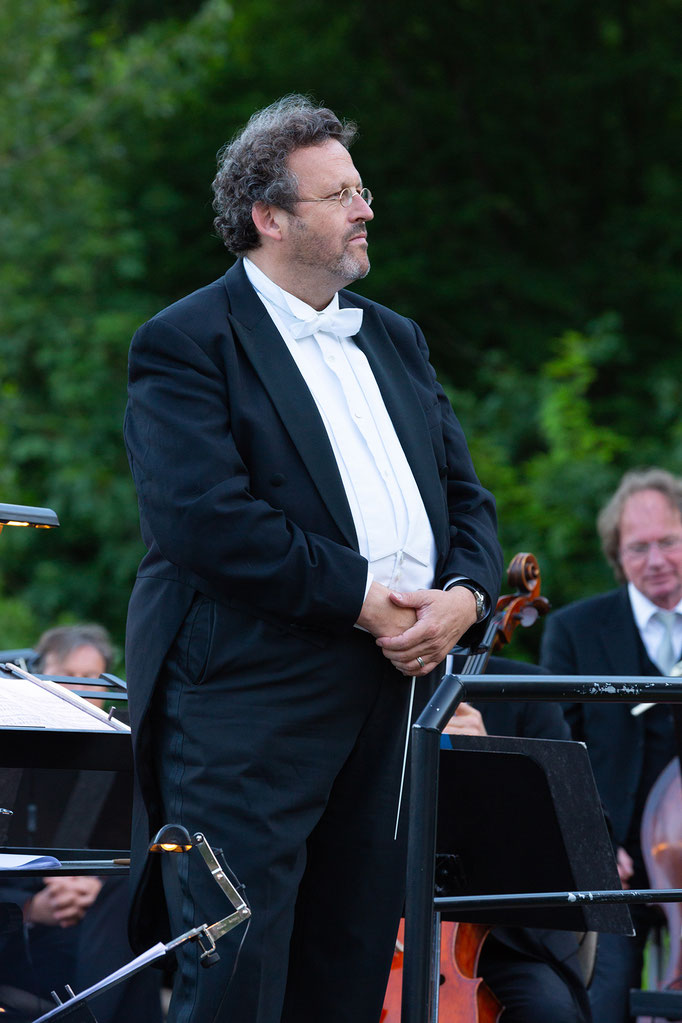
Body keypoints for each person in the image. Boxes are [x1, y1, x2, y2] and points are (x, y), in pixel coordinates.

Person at [123, 94, 503, 1023]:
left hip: (392, 695)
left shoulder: (396, 338)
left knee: (354, 954)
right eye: (341, 194)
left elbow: (467, 500)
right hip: (249, 702)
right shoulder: (184, 343)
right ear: (270, 216)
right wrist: (368, 601)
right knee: (237, 963)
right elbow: (206, 523)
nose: (365, 208)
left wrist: (464, 595)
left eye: (360, 188)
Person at [540, 467, 682, 1023]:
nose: (656, 560)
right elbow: (556, 749)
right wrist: (591, 839)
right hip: (612, 862)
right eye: (638, 548)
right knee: (604, 1003)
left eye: (669, 542)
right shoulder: (576, 630)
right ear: (616, 557)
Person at [0, 624, 163, 1023]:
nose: (80, 689)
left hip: (93, 908)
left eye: (94, 679)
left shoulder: (111, 753)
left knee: (128, 902)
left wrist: (95, 880)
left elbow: (124, 841)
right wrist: (30, 905)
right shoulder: (11, 742)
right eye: (70, 676)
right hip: (20, 914)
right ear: (39, 671)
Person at [440, 655, 593, 1023]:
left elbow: (582, 828)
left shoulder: (526, 687)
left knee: (549, 1011)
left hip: (501, 936)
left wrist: (490, 762)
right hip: (368, 924)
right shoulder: (355, 671)